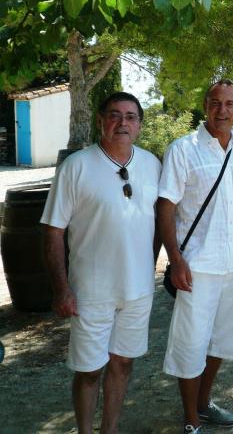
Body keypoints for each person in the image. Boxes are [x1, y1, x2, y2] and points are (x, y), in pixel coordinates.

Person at [41, 92, 161, 434]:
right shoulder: (76, 167)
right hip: (91, 290)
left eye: (131, 116)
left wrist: (149, 267)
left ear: (139, 124)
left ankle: (109, 429)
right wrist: (61, 289)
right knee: (89, 369)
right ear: (99, 120)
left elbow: (157, 222)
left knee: (123, 363)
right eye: (114, 115)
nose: (122, 123)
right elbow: (52, 232)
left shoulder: (152, 164)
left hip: (137, 290)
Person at [158, 79, 233, 434]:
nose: (222, 110)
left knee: (223, 338)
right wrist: (175, 259)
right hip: (197, 265)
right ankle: (191, 421)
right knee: (191, 341)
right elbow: (166, 207)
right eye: (216, 103)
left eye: (230, 104)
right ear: (205, 105)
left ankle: (203, 404)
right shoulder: (183, 149)